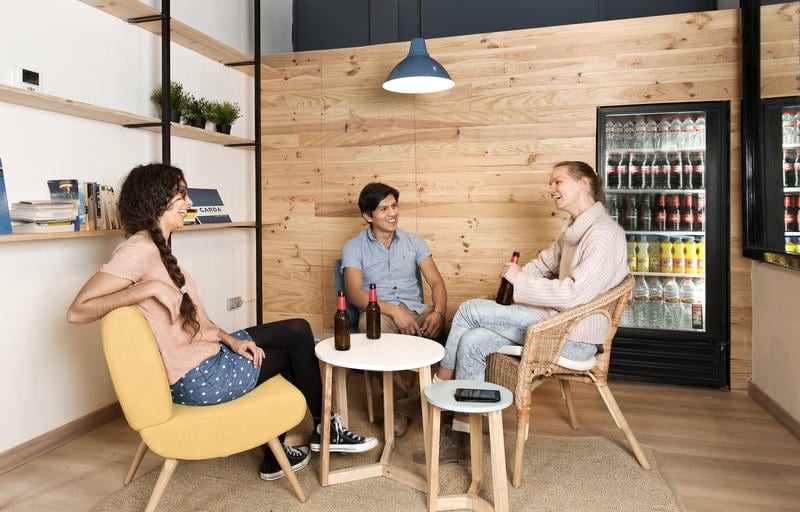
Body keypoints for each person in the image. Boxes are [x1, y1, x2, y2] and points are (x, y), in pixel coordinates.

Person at [67, 163, 377, 483]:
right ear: (157, 199)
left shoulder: (157, 249)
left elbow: (195, 319)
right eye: (182, 194)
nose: (189, 203)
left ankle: (296, 442)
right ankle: (317, 433)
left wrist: (231, 340)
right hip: (201, 378)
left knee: (297, 330)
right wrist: (146, 289)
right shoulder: (138, 250)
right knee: (290, 352)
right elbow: (77, 311)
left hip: (207, 355)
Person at [427, 160, 629, 463]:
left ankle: (437, 395)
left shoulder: (603, 234)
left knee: (468, 310)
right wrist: (518, 274)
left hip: (572, 337)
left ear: (584, 184)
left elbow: (576, 294)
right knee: (473, 340)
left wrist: (519, 284)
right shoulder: (573, 230)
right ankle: (463, 438)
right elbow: (545, 263)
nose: (551, 189)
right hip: (553, 322)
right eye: (551, 183)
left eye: (558, 182)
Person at [341, 182, 448, 436]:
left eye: (395, 205)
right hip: (379, 313)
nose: (392, 213)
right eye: (383, 209)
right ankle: (403, 405)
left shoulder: (414, 242)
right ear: (368, 216)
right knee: (373, 331)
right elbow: (355, 293)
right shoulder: (354, 247)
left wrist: (439, 312)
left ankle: (455, 405)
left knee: (463, 324)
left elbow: (436, 282)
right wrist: (393, 311)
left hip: (417, 309)